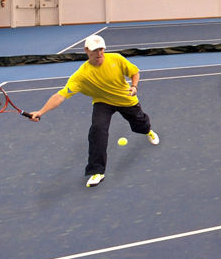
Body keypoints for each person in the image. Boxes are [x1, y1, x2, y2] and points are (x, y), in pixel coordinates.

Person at [30, 35, 158, 187]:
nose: (99, 53)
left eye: (101, 49)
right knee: (97, 130)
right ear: (86, 50)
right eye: (95, 50)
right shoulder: (81, 75)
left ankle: (148, 131)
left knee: (140, 125)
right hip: (102, 102)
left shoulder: (116, 59)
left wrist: (134, 86)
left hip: (125, 99)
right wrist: (40, 112)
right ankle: (97, 171)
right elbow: (60, 96)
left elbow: (134, 72)